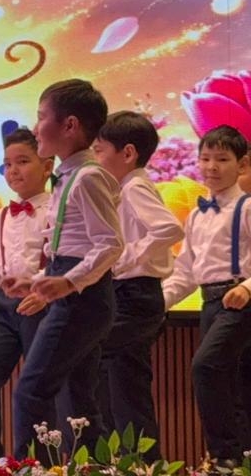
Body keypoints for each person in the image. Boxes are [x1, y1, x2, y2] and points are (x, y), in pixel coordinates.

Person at [9, 80, 122, 459]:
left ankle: (31, 467)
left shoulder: (88, 176)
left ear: (70, 125)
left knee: (31, 391)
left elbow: (110, 244)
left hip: (84, 299)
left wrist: (69, 282)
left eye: (41, 117)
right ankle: (95, 465)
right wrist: (38, 280)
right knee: (78, 399)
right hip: (79, 293)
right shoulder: (70, 176)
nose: (35, 126)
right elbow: (71, 248)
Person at [91, 111, 184, 461]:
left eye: (100, 151)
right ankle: (138, 462)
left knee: (91, 360)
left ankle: (118, 459)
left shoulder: (134, 186)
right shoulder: (127, 187)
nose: (95, 159)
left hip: (135, 295)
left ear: (127, 153)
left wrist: (125, 258)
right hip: (132, 295)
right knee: (128, 387)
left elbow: (170, 228)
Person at [162, 125, 251, 465]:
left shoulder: (247, 208)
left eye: (222, 159)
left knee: (206, 367)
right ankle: (242, 460)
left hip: (241, 301)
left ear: (241, 165)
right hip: (210, 304)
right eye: (205, 158)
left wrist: (246, 287)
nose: (212, 166)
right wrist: (159, 302)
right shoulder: (197, 216)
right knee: (235, 385)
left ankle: (224, 459)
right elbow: (185, 271)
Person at [0, 127, 51, 455]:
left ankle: (37, 462)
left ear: (47, 166)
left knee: (34, 388)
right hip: (4, 309)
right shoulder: (1, 216)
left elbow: (62, 263)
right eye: (8, 164)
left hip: (41, 306)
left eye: (23, 161)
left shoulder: (56, 210)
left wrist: (41, 286)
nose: (13, 170)